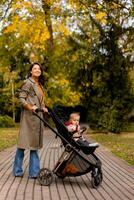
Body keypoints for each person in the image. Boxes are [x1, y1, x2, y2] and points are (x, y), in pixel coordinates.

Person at [13, 62, 48, 178]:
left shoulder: (40, 85)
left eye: (39, 69)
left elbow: (38, 101)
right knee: (22, 145)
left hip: (37, 119)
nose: (37, 70)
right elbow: (21, 98)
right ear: (31, 71)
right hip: (28, 119)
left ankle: (33, 173)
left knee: (34, 146)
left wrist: (43, 108)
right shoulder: (28, 82)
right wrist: (30, 106)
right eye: (35, 68)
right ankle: (18, 171)